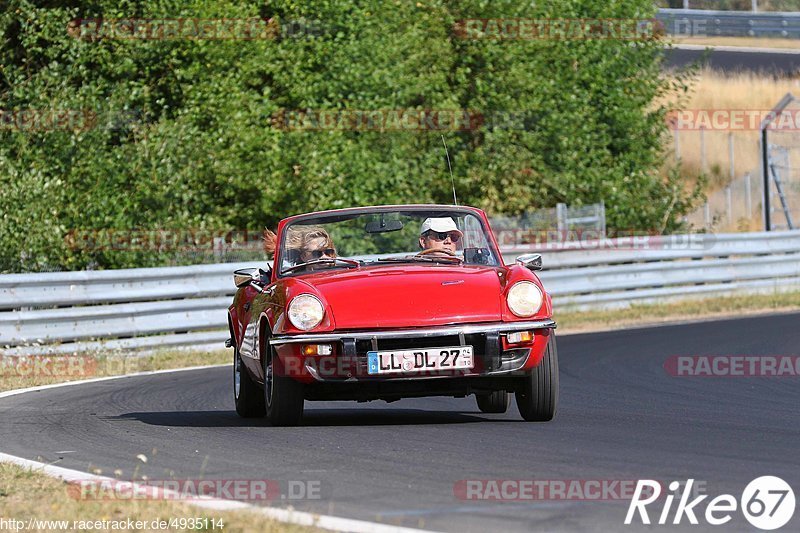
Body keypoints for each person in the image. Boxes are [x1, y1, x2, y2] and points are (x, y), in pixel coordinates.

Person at [263, 226, 336, 267]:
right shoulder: (296, 281)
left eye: (328, 252)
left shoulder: (343, 271)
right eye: (317, 253)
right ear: (303, 256)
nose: (324, 257)